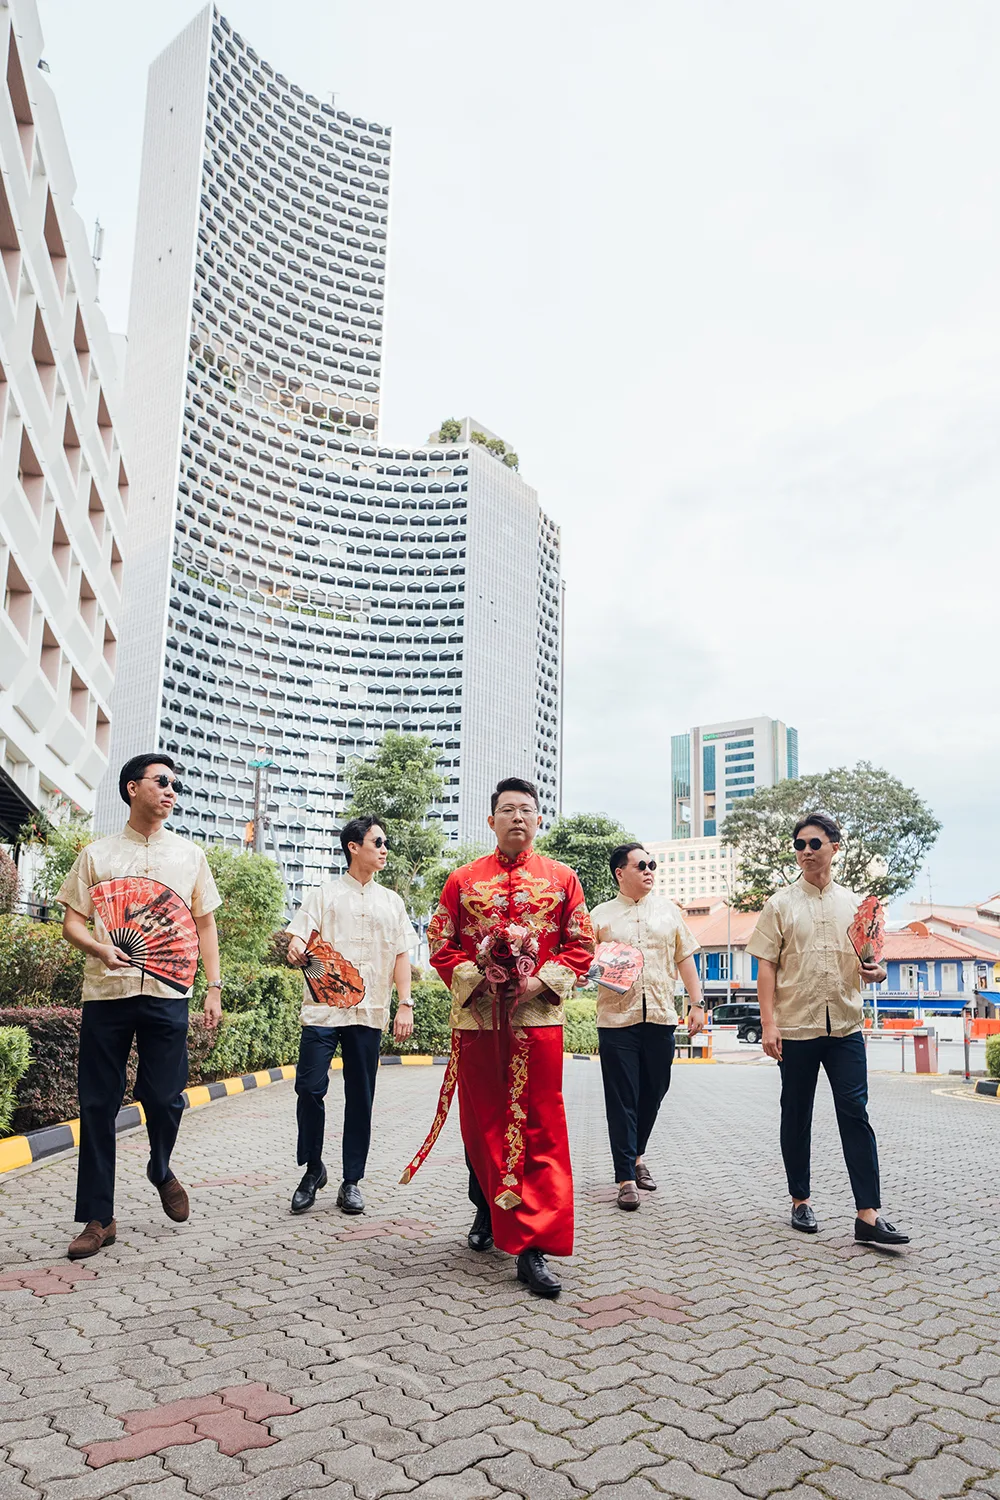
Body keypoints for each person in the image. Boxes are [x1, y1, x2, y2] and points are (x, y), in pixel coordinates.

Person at [425, 777, 594, 1298]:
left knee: (540, 1129)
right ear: (491, 819)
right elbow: (439, 941)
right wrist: (485, 979)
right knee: (483, 1125)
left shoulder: (563, 878)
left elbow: (581, 943)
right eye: (507, 810)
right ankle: (487, 1209)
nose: (517, 817)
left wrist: (540, 982)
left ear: (539, 820)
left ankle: (533, 1247)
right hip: (478, 1023)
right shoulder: (462, 880)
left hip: (537, 1022)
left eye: (526, 810)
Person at [57, 754, 222, 1260]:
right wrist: (98, 948)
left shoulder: (190, 856)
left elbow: (205, 926)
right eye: (162, 782)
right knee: (98, 1103)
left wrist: (214, 988)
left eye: (176, 784)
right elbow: (72, 923)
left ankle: (160, 1167)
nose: (172, 790)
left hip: (169, 993)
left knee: (166, 1096)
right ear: (133, 789)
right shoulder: (96, 855)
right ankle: (98, 1218)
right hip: (107, 992)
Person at [747, 811, 909, 1246]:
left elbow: (869, 964)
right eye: (799, 845)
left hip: (845, 1026)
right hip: (796, 1027)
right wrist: (768, 1024)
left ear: (835, 847)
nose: (805, 852)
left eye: (814, 844)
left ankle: (868, 1215)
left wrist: (875, 974)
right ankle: (800, 1200)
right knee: (796, 1115)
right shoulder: (780, 904)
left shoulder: (855, 907)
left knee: (855, 1114)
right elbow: (766, 967)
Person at [285, 815, 417, 1216]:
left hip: (369, 1011)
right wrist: (293, 946)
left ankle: (351, 1181)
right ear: (353, 847)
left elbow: (401, 954)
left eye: (385, 843)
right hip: (323, 1011)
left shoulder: (392, 902)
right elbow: (299, 933)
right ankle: (312, 1170)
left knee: (361, 1097)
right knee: (309, 1088)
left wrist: (405, 1003)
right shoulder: (324, 895)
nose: (384, 849)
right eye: (377, 842)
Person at [590, 844, 705, 1210]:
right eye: (641, 866)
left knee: (654, 1091)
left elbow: (684, 958)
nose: (649, 871)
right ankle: (625, 1176)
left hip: (659, 1017)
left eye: (652, 865)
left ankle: (637, 1155)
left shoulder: (669, 912)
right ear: (619, 873)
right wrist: (588, 972)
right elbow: (583, 963)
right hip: (616, 1020)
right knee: (621, 1099)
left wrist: (697, 1003)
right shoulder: (600, 916)